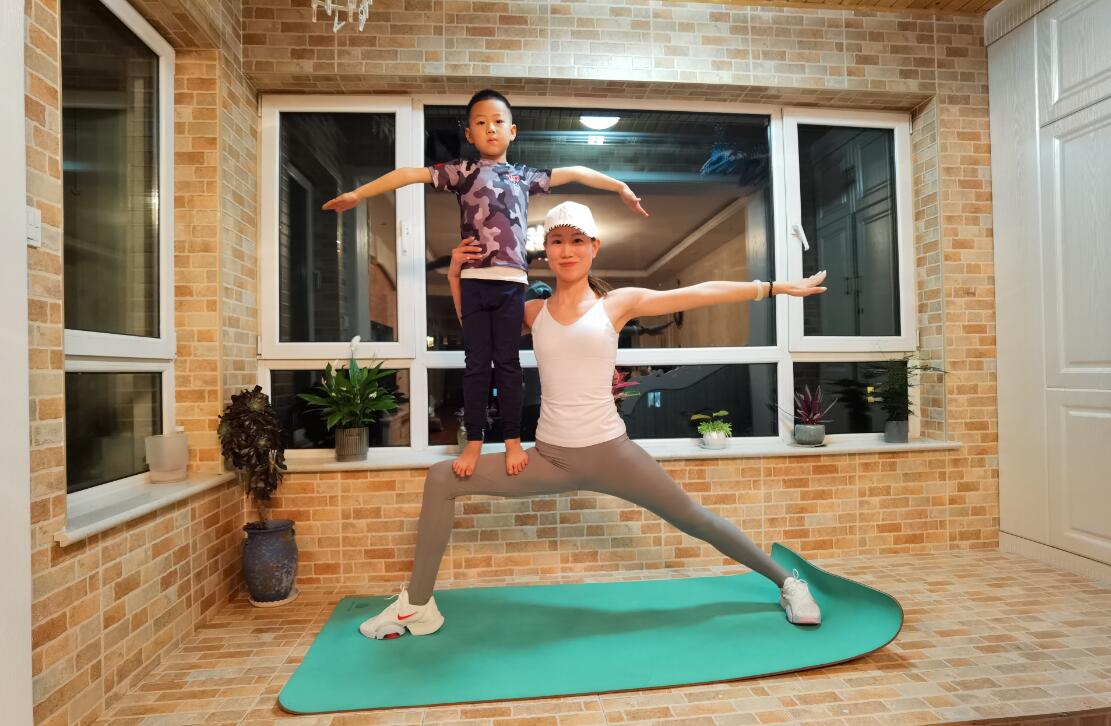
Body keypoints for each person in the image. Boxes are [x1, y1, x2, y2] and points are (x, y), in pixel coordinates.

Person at [358, 201, 830, 639]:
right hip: (550, 459)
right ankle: (417, 606)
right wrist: (456, 273)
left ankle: (787, 583)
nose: (567, 251)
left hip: (612, 454)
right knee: (442, 478)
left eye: (577, 241)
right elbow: (475, 327)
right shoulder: (533, 311)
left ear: (594, 247)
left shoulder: (616, 304)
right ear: (546, 250)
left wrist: (773, 288)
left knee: (694, 519)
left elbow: (698, 293)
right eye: (557, 241)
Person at [323, 90, 648, 478]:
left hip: (512, 284)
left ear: (512, 131)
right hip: (475, 280)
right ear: (469, 134)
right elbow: (409, 174)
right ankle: (474, 441)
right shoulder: (462, 171)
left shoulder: (523, 176)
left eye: (497, 121)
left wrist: (619, 186)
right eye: (480, 122)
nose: (490, 128)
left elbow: (578, 171)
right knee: (476, 365)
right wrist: (358, 194)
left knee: (508, 364)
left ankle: (512, 440)